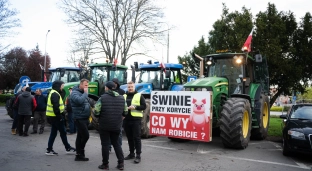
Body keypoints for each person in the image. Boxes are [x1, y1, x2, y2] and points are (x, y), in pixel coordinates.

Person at [95, 81, 128, 170]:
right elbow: (125, 112)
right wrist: (121, 118)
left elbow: (96, 111)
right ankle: (121, 163)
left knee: (105, 145)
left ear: (107, 88)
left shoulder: (102, 98)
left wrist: (99, 117)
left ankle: (105, 164)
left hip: (104, 125)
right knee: (116, 144)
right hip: (116, 125)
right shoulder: (121, 98)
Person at [45, 80, 76, 156]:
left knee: (53, 133)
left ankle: (49, 149)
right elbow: (56, 107)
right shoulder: (55, 94)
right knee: (63, 132)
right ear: (58, 86)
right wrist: (60, 117)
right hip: (56, 117)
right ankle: (67, 148)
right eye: (62, 86)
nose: (63, 87)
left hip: (53, 116)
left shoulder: (53, 92)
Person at [123, 81, 146, 164]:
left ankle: (138, 155)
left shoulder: (139, 95)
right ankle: (131, 153)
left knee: (136, 138)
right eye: (129, 87)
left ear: (134, 87)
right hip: (126, 119)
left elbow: (144, 106)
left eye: (131, 87)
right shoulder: (124, 96)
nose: (130, 88)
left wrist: (135, 107)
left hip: (136, 119)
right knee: (129, 138)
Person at [70, 79, 90, 161]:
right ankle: (80, 151)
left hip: (85, 117)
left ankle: (79, 155)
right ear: (80, 85)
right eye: (85, 85)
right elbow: (79, 101)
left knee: (80, 136)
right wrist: (85, 93)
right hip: (79, 117)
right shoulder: (74, 93)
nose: (86, 87)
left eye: (87, 85)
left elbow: (87, 102)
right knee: (86, 136)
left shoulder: (82, 93)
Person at [109, 78, 125, 152]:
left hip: (119, 115)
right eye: (113, 82)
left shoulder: (122, 92)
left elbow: (124, 104)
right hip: (109, 115)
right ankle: (109, 147)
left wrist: (123, 114)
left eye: (115, 82)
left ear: (118, 83)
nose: (114, 84)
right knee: (108, 132)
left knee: (119, 132)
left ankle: (119, 146)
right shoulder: (109, 91)